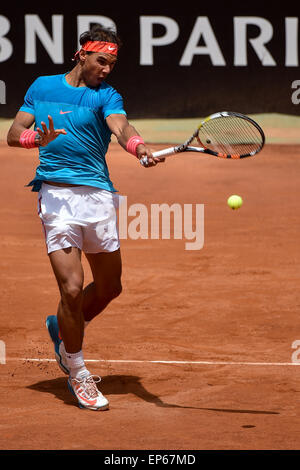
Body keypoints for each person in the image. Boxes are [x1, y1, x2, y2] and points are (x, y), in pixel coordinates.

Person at [7, 24, 163, 411]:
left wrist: (138, 146)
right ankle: (77, 369)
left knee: (110, 287)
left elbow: (120, 125)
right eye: (101, 61)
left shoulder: (106, 95)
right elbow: (13, 133)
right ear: (82, 54)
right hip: (56, 197)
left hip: (97, 197)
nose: (107, 69)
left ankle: (61, 328)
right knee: (72, 290)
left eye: (112, 63)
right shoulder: (42, 86)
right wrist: (34, 140)